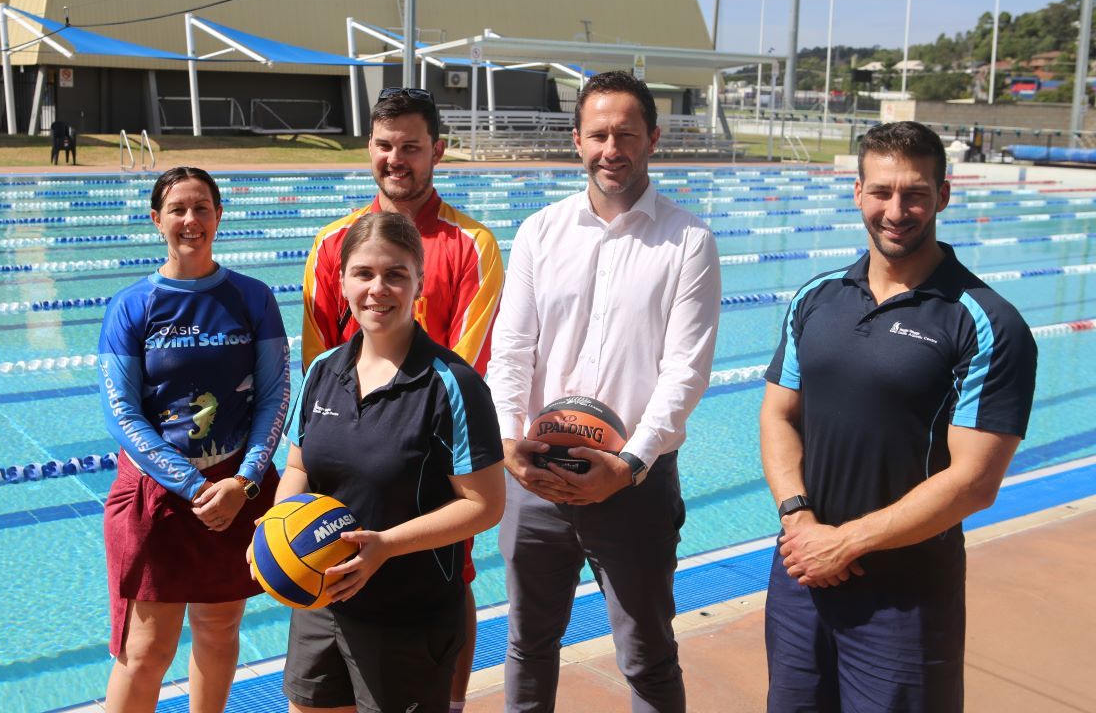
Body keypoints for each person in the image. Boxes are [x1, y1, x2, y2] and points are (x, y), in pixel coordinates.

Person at [760, 121, 1037, 712]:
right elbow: (779, 415)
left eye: (914, 193)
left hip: (905, 598)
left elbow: (975, 481)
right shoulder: (816, 297)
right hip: (801, 572)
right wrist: (799, 520)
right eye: (882, 192)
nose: (896, 210)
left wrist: (846, 544)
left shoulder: (985, 321)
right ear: (857, 192)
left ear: (943, 194)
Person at [487, 70, 722, 712]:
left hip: (634, 484)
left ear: (653, 138)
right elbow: (512, 346)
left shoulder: (689, 240)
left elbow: (686, 370)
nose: (611, 148)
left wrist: (628, 464)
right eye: (598, 134)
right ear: (577, 140)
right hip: (535, 474)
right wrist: (509, 440)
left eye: (626, 133)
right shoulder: (540, 231)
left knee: (645, 654)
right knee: (528, 645)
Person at [301, 86, 504, 708]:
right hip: (343, 456)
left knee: (452, 577)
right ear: (370, 148)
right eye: (385, 146)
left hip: (430, 460)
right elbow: (318, 363)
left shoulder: (473, 245)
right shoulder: (332, 243)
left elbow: (468, 364)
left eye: (411, 147)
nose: (397, 159)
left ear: (437, 151)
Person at [97, 166, 290, 713]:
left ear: (219, 216)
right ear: (156, 220)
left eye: (202, 207)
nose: (191, 220)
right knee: (146, 647)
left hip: (236, 487)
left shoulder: (251, 298)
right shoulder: (133, 305)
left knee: (219, 626)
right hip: (158, 493)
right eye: (178, 209)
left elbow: (275, 395)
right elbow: (122, 414)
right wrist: (191, 484)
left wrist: (246, 480)